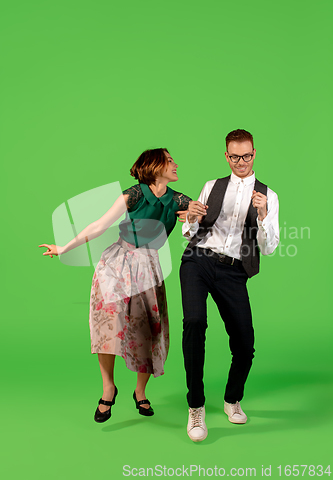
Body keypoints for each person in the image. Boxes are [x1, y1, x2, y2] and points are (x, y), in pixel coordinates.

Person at [39, 148, 191, 422]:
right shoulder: (133, 194)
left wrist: (195, 216)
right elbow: (99, 225)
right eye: (170, 161)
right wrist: (64, 248)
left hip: (149, 268)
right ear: (156, 166)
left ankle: (140, 392)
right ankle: (108, 389)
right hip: (117, 264)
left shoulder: (179, 200)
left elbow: (206, 216)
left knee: (150, 331)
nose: (176, 164)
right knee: (108, 325)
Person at [180, 129, 279, 442]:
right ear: (226, 156)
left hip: (235, 270)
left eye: (246, 156)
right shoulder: (212, 186)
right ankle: (196, 407)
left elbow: (270, 247)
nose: (240, 161)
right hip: (198, 260)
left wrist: (262, 215)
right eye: (234, 156)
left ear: (254, 154)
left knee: (245, 343)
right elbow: (190, 229)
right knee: (195, 322)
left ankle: (231, 399)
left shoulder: (269, 195)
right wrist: (191, 218)